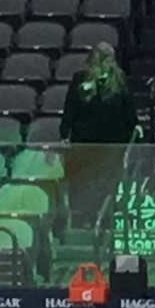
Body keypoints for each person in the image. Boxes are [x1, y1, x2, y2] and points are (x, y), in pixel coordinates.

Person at [59, 41, 138, 230]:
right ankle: (84, 218)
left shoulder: (119, 80)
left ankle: (105, 220)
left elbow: (128, 110)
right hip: (85, 142)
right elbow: (70, 109)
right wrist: (64, 134)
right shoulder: (80, 79)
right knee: (85, 183)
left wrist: (134, 131)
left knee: (107, 182)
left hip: (113, 143)